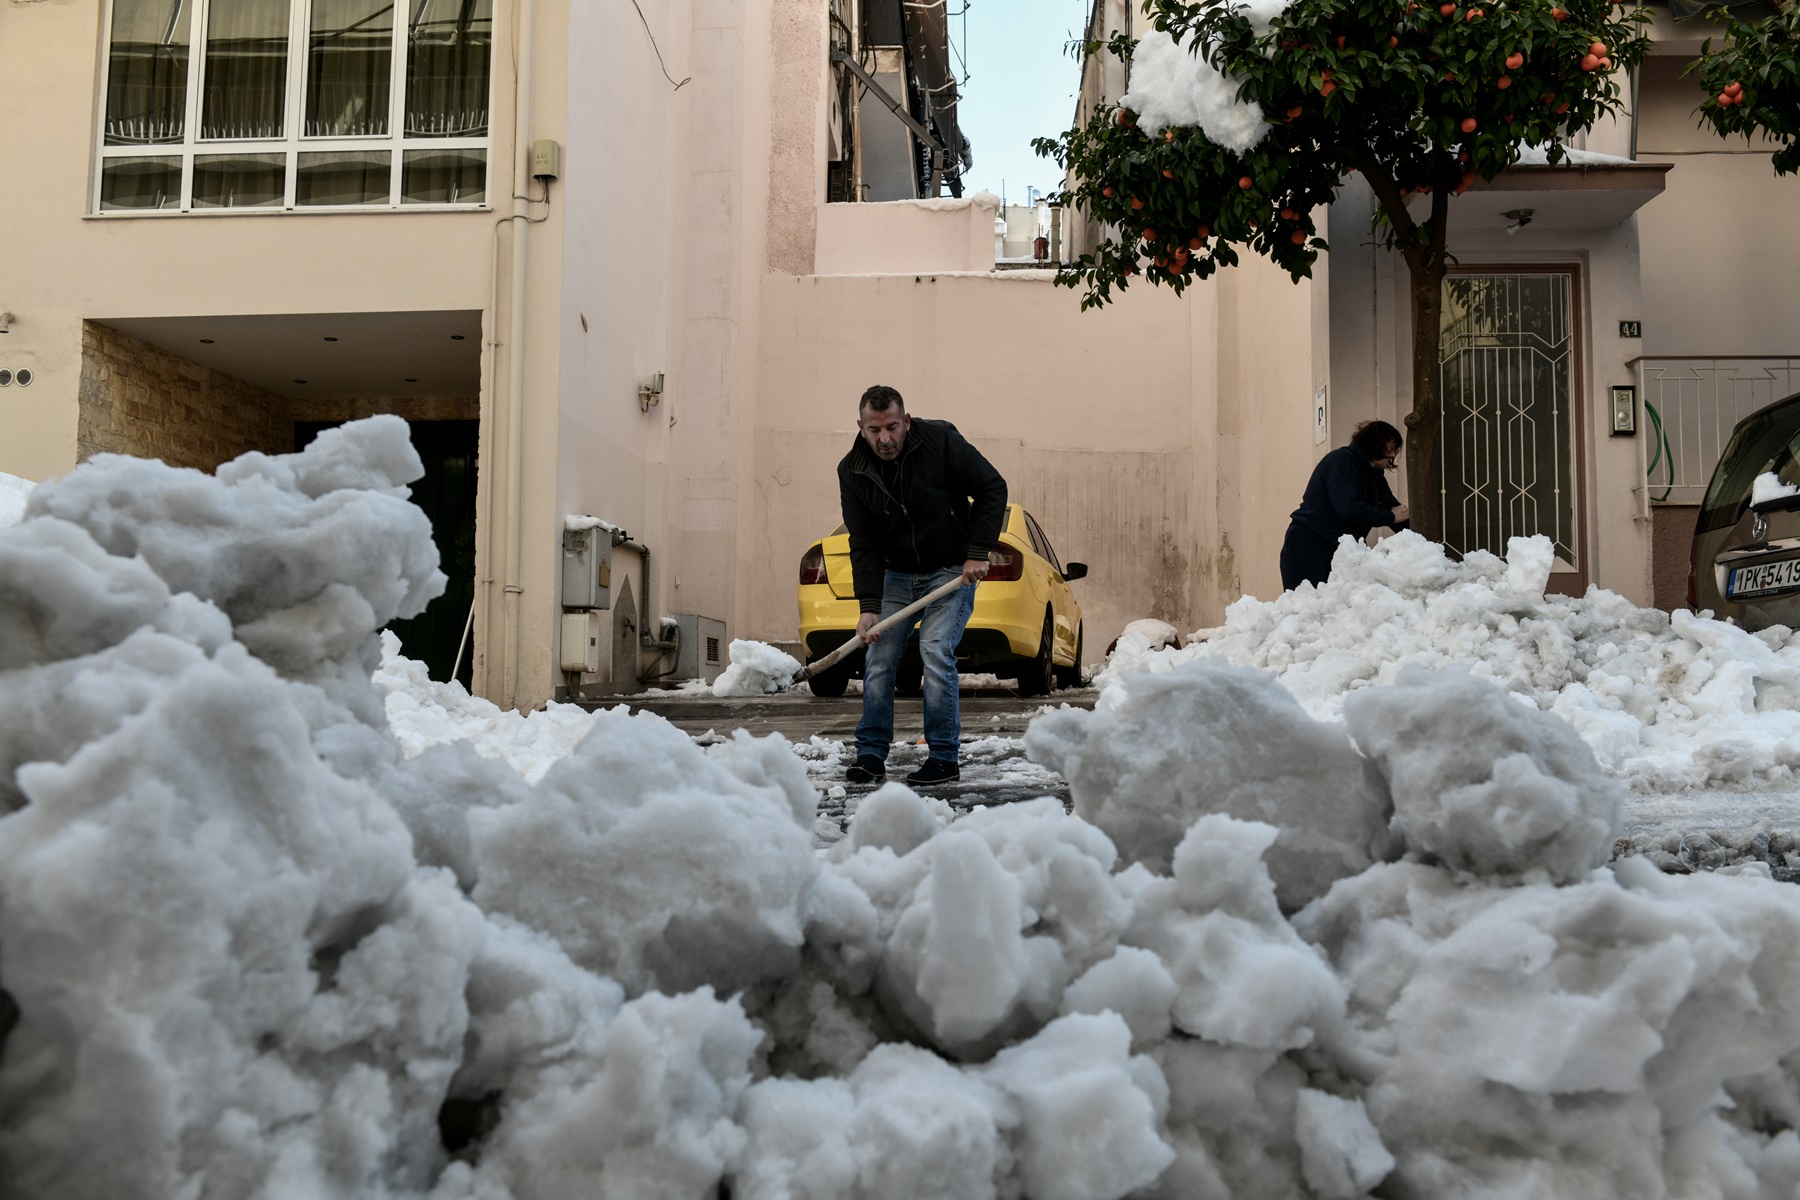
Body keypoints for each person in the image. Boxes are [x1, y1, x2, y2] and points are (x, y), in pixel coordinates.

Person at [837, 385, 1007, 786]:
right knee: (879, 656)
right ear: (861, 428)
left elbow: (991, 487)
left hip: (950, 568)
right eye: (875, 430)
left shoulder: (940, 442)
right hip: (895, 571)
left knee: (934, 648)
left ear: (906, 422)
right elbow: (864, 541)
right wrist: (869, 605)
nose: (885, 439)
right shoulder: (852, 471)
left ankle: (944, 757)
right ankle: (871, 755)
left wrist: (978, 551)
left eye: (893, 427)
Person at [1280, 420, 1411, 590]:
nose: (1393, 454)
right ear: (1375, 443)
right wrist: (1390, 517)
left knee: (1335, 610)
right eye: (1391, 447)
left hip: (1339, 551)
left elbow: (1397, 513)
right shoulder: (1342, 461)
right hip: (1310, 546)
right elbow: (1350, 509)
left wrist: (1433, 549)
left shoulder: (1375, 476)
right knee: (1306, 608)